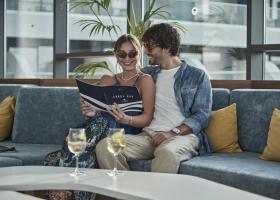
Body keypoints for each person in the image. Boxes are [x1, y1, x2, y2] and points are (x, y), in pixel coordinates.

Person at [44, 34, 155, 200]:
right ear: (116, 55)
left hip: (125, 132)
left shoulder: (145, 80)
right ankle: (74, 190)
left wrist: (127, 119)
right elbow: (94, 110)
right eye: (122, 54)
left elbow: (147, 117)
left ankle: (64, 182)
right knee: (94, 133)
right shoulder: (108, 79)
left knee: (79, 138)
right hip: (100, 129)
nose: (127, 58)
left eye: (132, 54)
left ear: (139, 54)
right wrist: (90, 111)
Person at [96, 23, 212, 174]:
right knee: (106, 145)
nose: (145, 51)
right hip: (149, 136)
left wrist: (172, 132)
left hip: (182, 137)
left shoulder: (197, 76)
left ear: (167, 47)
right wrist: (94, 99)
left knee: (167, 152)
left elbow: (202, 115)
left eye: (150, 47)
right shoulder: (148, 74)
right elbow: (121, 81)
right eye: (144, 47)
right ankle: (126, 194)